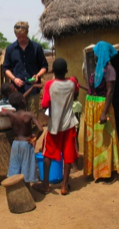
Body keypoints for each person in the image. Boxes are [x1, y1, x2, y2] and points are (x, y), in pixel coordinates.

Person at [33, 58, 79, 195]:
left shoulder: (49, 85)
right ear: (66, 71)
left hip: (54, 126)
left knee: (48, 153)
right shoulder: (72, 83)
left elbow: (45, 104)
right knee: (68, 153)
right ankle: (64, 186)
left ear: (53, 71)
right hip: (69, 124)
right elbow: (76, 94)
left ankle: (45, 185)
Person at [83, 41, 119, 184]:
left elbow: (110, 92)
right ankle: (97, 170)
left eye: (96, 53)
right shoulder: (99, 69)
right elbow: (92, 89)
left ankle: (107, 172)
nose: (94, 56)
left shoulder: (109, 70)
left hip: (101, 107)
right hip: (93, 107)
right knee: (95, 139)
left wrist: (104, 112)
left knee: (104, 140)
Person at [2, 21, 48, 118]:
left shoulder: (37, 48)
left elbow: (44, 66)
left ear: (27, 33)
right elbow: (6, 68)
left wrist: (38, 75)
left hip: (33, 90)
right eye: (19, 37)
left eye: (23, 36)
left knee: (33, 117)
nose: (21, 39)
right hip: (16, 92)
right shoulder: (10, 49)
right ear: (15, 35)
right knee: (19, 118)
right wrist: (14, 79)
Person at [0, 92, 43, 184]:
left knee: (15, 168)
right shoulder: (29, 115)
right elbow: (41, 129)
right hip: (27, 143)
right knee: (26, 169)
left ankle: (16, 190)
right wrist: (34, 139)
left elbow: (1, 112)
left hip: (16, 144)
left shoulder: (11, 114)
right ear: (23, 101)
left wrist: (7, 110)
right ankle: (27, 190)